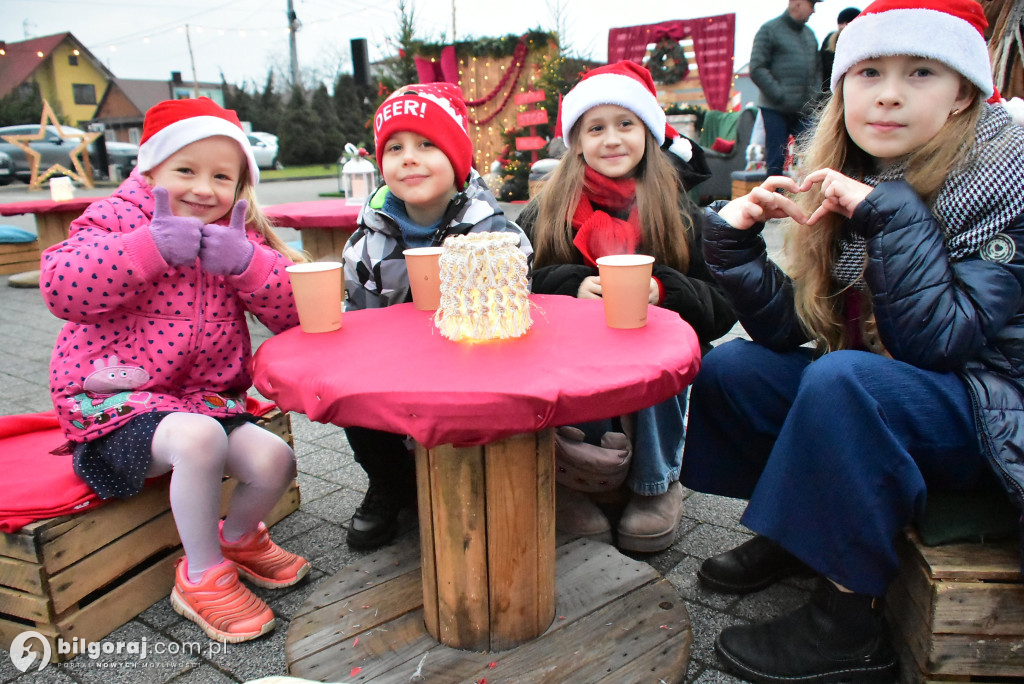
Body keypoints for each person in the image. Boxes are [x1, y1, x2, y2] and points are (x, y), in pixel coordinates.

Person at [680, 0, 1024, 680]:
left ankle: (847, 625)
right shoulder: (865, 170)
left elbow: (941, 345)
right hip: (893, 397)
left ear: (963, 95)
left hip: (987, 415)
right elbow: (797, 331)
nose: (889, 94)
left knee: (843, 382)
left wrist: (889, 220)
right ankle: (801, 536)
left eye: (921, 71)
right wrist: (736, 242)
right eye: (869, 72)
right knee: (736, 368)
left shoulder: (1001, 185)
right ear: (843, 87)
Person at [40, 97, 310, 643]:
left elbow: (295, 314)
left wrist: (249, 263)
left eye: (221, 177)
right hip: (113, 405)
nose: (203, 189)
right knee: (201, 440)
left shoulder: (233, 236)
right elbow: (60, 286)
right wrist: (146, 249)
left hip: (200, 401)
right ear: (151, 169)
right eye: (185, 170)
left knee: (275, 459)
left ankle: (236, 538)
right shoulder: (117, 219)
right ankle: (202, 576)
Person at [516, 61, 737, 553]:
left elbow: (723, 306)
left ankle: (655, 484)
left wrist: (666, 291)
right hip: (575, 353)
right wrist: (571, 284)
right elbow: (517, 282)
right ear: (576, 142)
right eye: (596, 128)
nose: (611, 139)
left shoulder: (681, 211)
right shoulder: (546, 210)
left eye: (625, 124)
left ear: (649, 132)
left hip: (653, 356)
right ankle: (574, 481)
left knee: (662, 366)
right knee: (564, 373)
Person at [342, 82, 533, 550]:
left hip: (475, 366)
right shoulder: (367, 241)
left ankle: (495, 482)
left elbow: (518, 292)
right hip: (395, 370)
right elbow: (357, 316)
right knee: (354, 402)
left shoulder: (493, 230)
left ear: (457, 160)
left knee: (491, 422)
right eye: (395, 147)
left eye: (427, 144)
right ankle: (390, 483)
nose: (409, 157)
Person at [749, 0, 823, 176]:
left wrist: (814, 95)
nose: (813, 11)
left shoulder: (810, 35)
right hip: (775, 109)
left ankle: (812, 199)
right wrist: (779, 95)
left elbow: (817, 69)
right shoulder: (769, 30)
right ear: (797, 3)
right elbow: (757, 68)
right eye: (811, 4)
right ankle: (773, 200)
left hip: (803, 110)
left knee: (816, 156)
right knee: (776, 160)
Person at [820, 7, 861, 93]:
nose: (843, 26)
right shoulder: (829, 42)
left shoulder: (864, 46)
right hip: (829, 94)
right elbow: (821, 69)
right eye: (840, 22)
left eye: (847, 22)